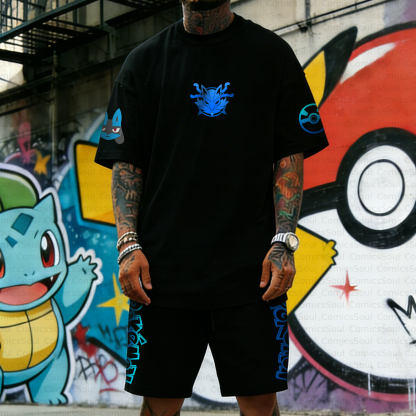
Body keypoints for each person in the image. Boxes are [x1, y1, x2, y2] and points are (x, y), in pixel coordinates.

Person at [94, 0, 329, 413]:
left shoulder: (271, 55)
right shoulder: (142, 63)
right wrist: (128, 245)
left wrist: (283, 243)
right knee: (159, 404)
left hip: (253, 273)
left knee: (259, 403)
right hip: (161, 275)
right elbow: (126, 164)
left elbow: (288, 159)